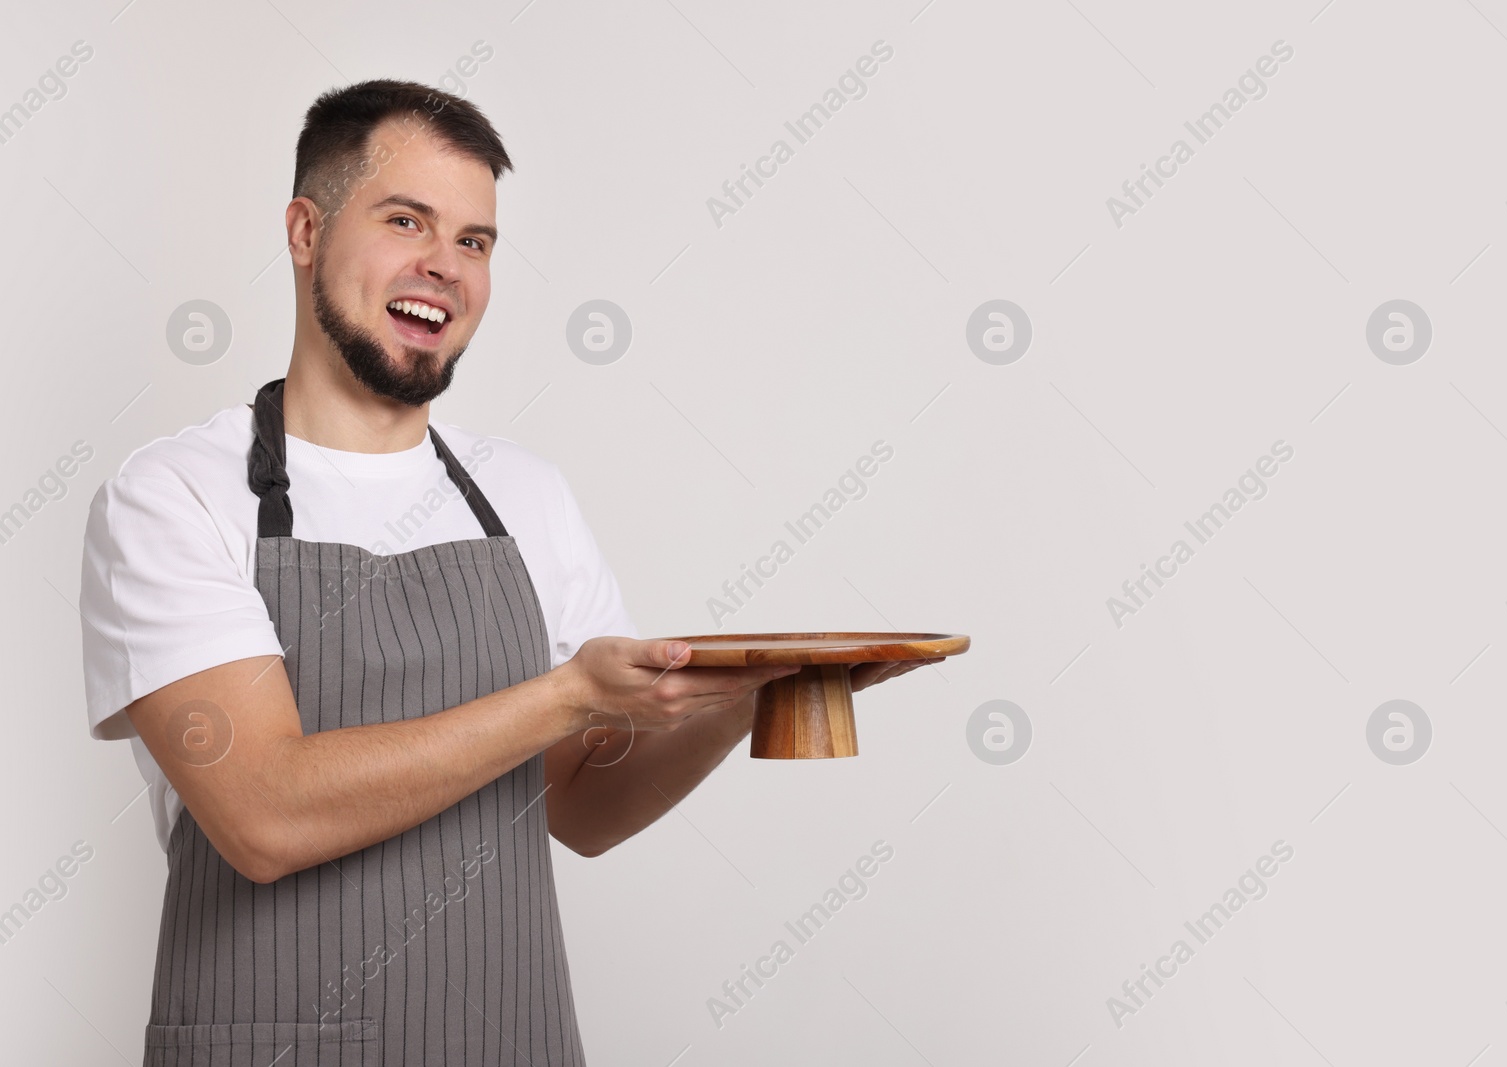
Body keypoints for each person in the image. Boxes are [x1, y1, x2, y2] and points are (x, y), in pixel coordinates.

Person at [76, 78, 930, 1066]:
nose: (444, 266)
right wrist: (567, 694)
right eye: (407, 220)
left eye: (475, 241)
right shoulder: (172, 496)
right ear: (305, 230)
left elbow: (583, 808)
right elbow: (264, 811)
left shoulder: (525, 493)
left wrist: (741, 695)